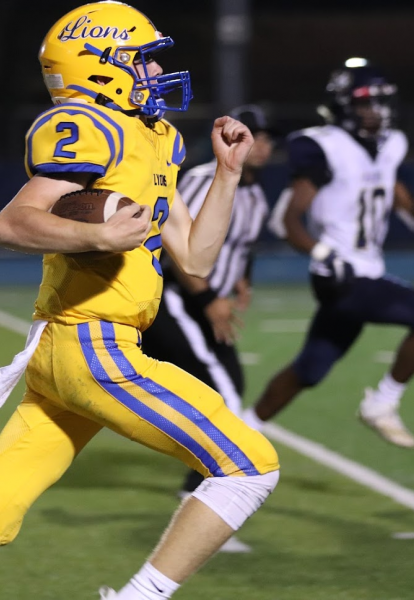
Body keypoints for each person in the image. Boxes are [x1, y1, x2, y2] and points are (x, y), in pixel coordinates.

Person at [0, 4, 279, 600]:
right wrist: (95, 234)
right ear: (100, 66)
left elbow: (196, 259)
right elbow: (12, 223)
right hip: (94, 347)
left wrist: (227, 175)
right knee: (250, 463)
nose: (155, 69)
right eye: (141, 58)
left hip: (68, 353)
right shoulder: (91, 126)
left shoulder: (157, 137)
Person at [242, 58, 414, 449]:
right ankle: (383, 403)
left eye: (381, 102)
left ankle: (240, 431)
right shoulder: (322, 145)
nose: (377, 111)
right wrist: (323, 252)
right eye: (366, 102)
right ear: (343, 104)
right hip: (339, 275)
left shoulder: (392, 145)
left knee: (310, 369)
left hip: (365, 273)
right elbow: (286, 221)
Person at [141, 104, 275, 553]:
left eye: (268, 136)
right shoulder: (201, 179)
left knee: (230, 387)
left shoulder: (256, 193)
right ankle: (205, 497)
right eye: (255, 134)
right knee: (225, 395)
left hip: (208, 304)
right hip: (179, 299)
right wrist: (207, 298)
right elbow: (177, 242)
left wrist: (241, 282)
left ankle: (197, 491)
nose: (264, 144)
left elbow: (241, 244)